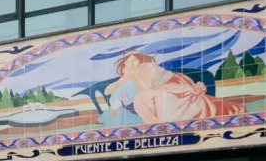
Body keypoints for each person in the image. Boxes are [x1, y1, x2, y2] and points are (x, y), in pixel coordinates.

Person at [104, 51, 246, 124]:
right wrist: (121, 81)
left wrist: (133, 76)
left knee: (162, 97)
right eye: (128, 62)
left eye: (134, 60)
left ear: (140, 60)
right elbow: (107, 91)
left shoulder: (148, 67)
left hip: (172, 85)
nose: (132, 63)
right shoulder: (129, 74)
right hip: (153, 93)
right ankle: (155, 124)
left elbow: (146, 88)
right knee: (141, 99)